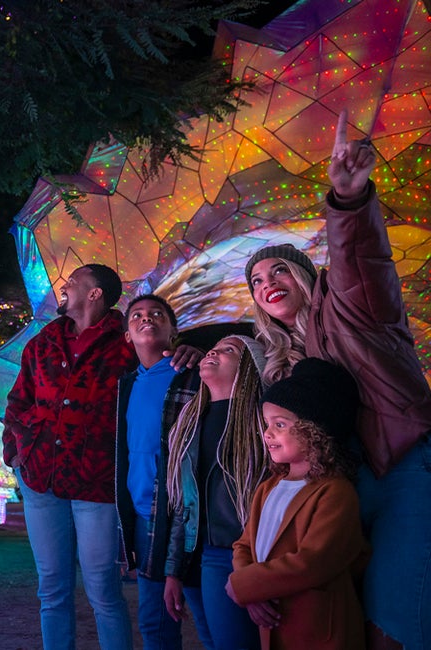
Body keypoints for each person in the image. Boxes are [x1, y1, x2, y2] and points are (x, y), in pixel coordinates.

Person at [245, 109, 431, 650]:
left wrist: (349, 202)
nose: (268, 282)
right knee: (340, 624)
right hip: (339, 489)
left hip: (402, 470)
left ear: (305, 275)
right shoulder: (278, 362)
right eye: (257, 281)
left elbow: (362, 260)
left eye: (279, 269)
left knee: (393, 625)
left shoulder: (351, 307)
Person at [2, 264, 200, 650]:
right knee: (51, 588)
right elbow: (18, 401)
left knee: (103, 590)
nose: (64, 286)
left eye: (72, 282)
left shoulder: (125, 340)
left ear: (94, 293)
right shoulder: (43, 342)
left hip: (97, 484)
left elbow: (160, 358)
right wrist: (18, 452)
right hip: (40, 479)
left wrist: (192, 347)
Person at [227, 358, 368, 650]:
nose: (267, 433)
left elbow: (313, 563)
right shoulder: (268, 487)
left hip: (317, 632)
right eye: (266, 424)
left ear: (314, 432)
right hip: (274, 625)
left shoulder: (335, 493)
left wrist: (245, 586)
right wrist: (250, 588)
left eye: (280, 424)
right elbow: (243, 544)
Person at [115, 294, 212, 649]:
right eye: (137, 315)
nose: (147, 318)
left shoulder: (196, 375)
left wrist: (201, 353)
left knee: (208, 618)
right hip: (147, 518)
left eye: (157, 314)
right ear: (127, 335)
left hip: (190, 518)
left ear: (174, 330)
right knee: (155, 622)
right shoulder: (126, 385)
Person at [163, 335, 267, 650]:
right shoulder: (189, 420)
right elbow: (185, 504)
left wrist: (258, 576)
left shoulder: (264, 422)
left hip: (241, 556)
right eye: (214, 348)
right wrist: (174, 570)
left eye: (228, 350)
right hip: (200, 556)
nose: (213, 351)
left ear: (250, 368)